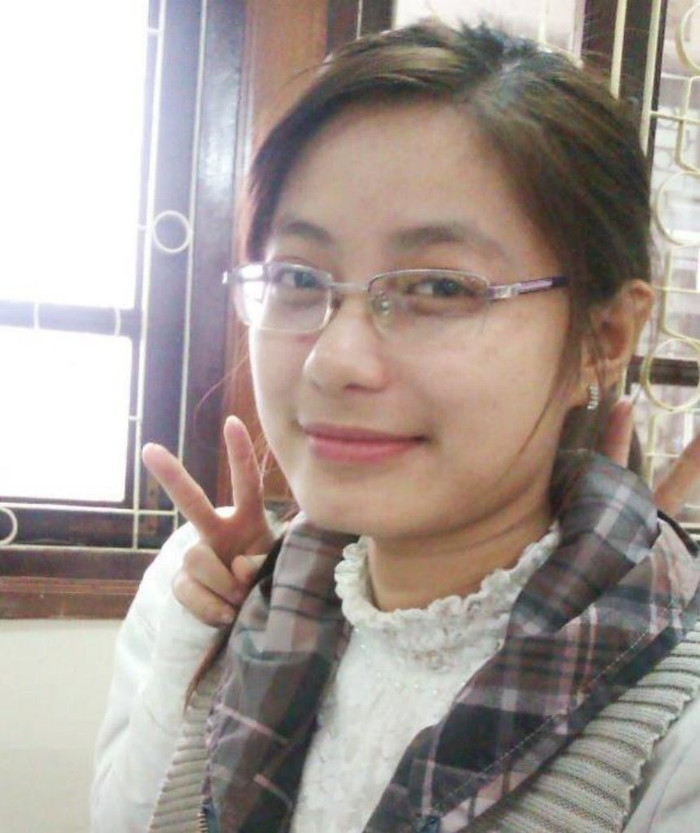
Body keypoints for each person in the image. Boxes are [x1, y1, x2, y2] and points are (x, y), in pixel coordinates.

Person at [91, 20, 700, 833]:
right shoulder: (213, 588)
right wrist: (200, 636)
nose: (333, 362)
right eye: (298, 276)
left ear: (603, 338)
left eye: (439, 288)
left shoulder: (670, 720)